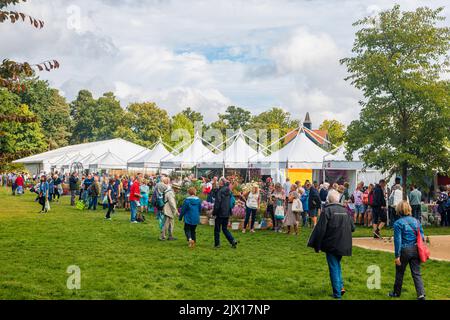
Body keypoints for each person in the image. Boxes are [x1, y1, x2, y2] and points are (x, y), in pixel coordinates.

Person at [307, 189, 355, 299]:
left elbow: (320, 230)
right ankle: (340, 287)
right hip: (344, 243)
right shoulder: (345, 211)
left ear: (328, 199)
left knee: (333, 267)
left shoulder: (327, 211)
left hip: (332, 243)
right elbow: (353, 228)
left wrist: (316, 246)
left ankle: (337, 293)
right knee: (336, 265)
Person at [389, 201, 426, 300]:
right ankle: (421, 294)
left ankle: (396, 293)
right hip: (415, 249)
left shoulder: (397, 223)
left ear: (399, 210)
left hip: (404, 250)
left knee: (400, 272)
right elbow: (422, 236)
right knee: (416, 272)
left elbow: (398, 241)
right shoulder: (416, 221)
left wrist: (397, 256)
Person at [213, 177, 238, 248]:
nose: (218, 182)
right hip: (227, 212)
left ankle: (217, 244)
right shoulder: (229, 191)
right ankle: (232, 240)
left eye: (219, 181)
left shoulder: (220, 191)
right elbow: (231, 202)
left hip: (220, 212)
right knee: (224, 229)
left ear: (222, 183)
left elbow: (217, 203)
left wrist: (214, 213)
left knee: (217, 229)